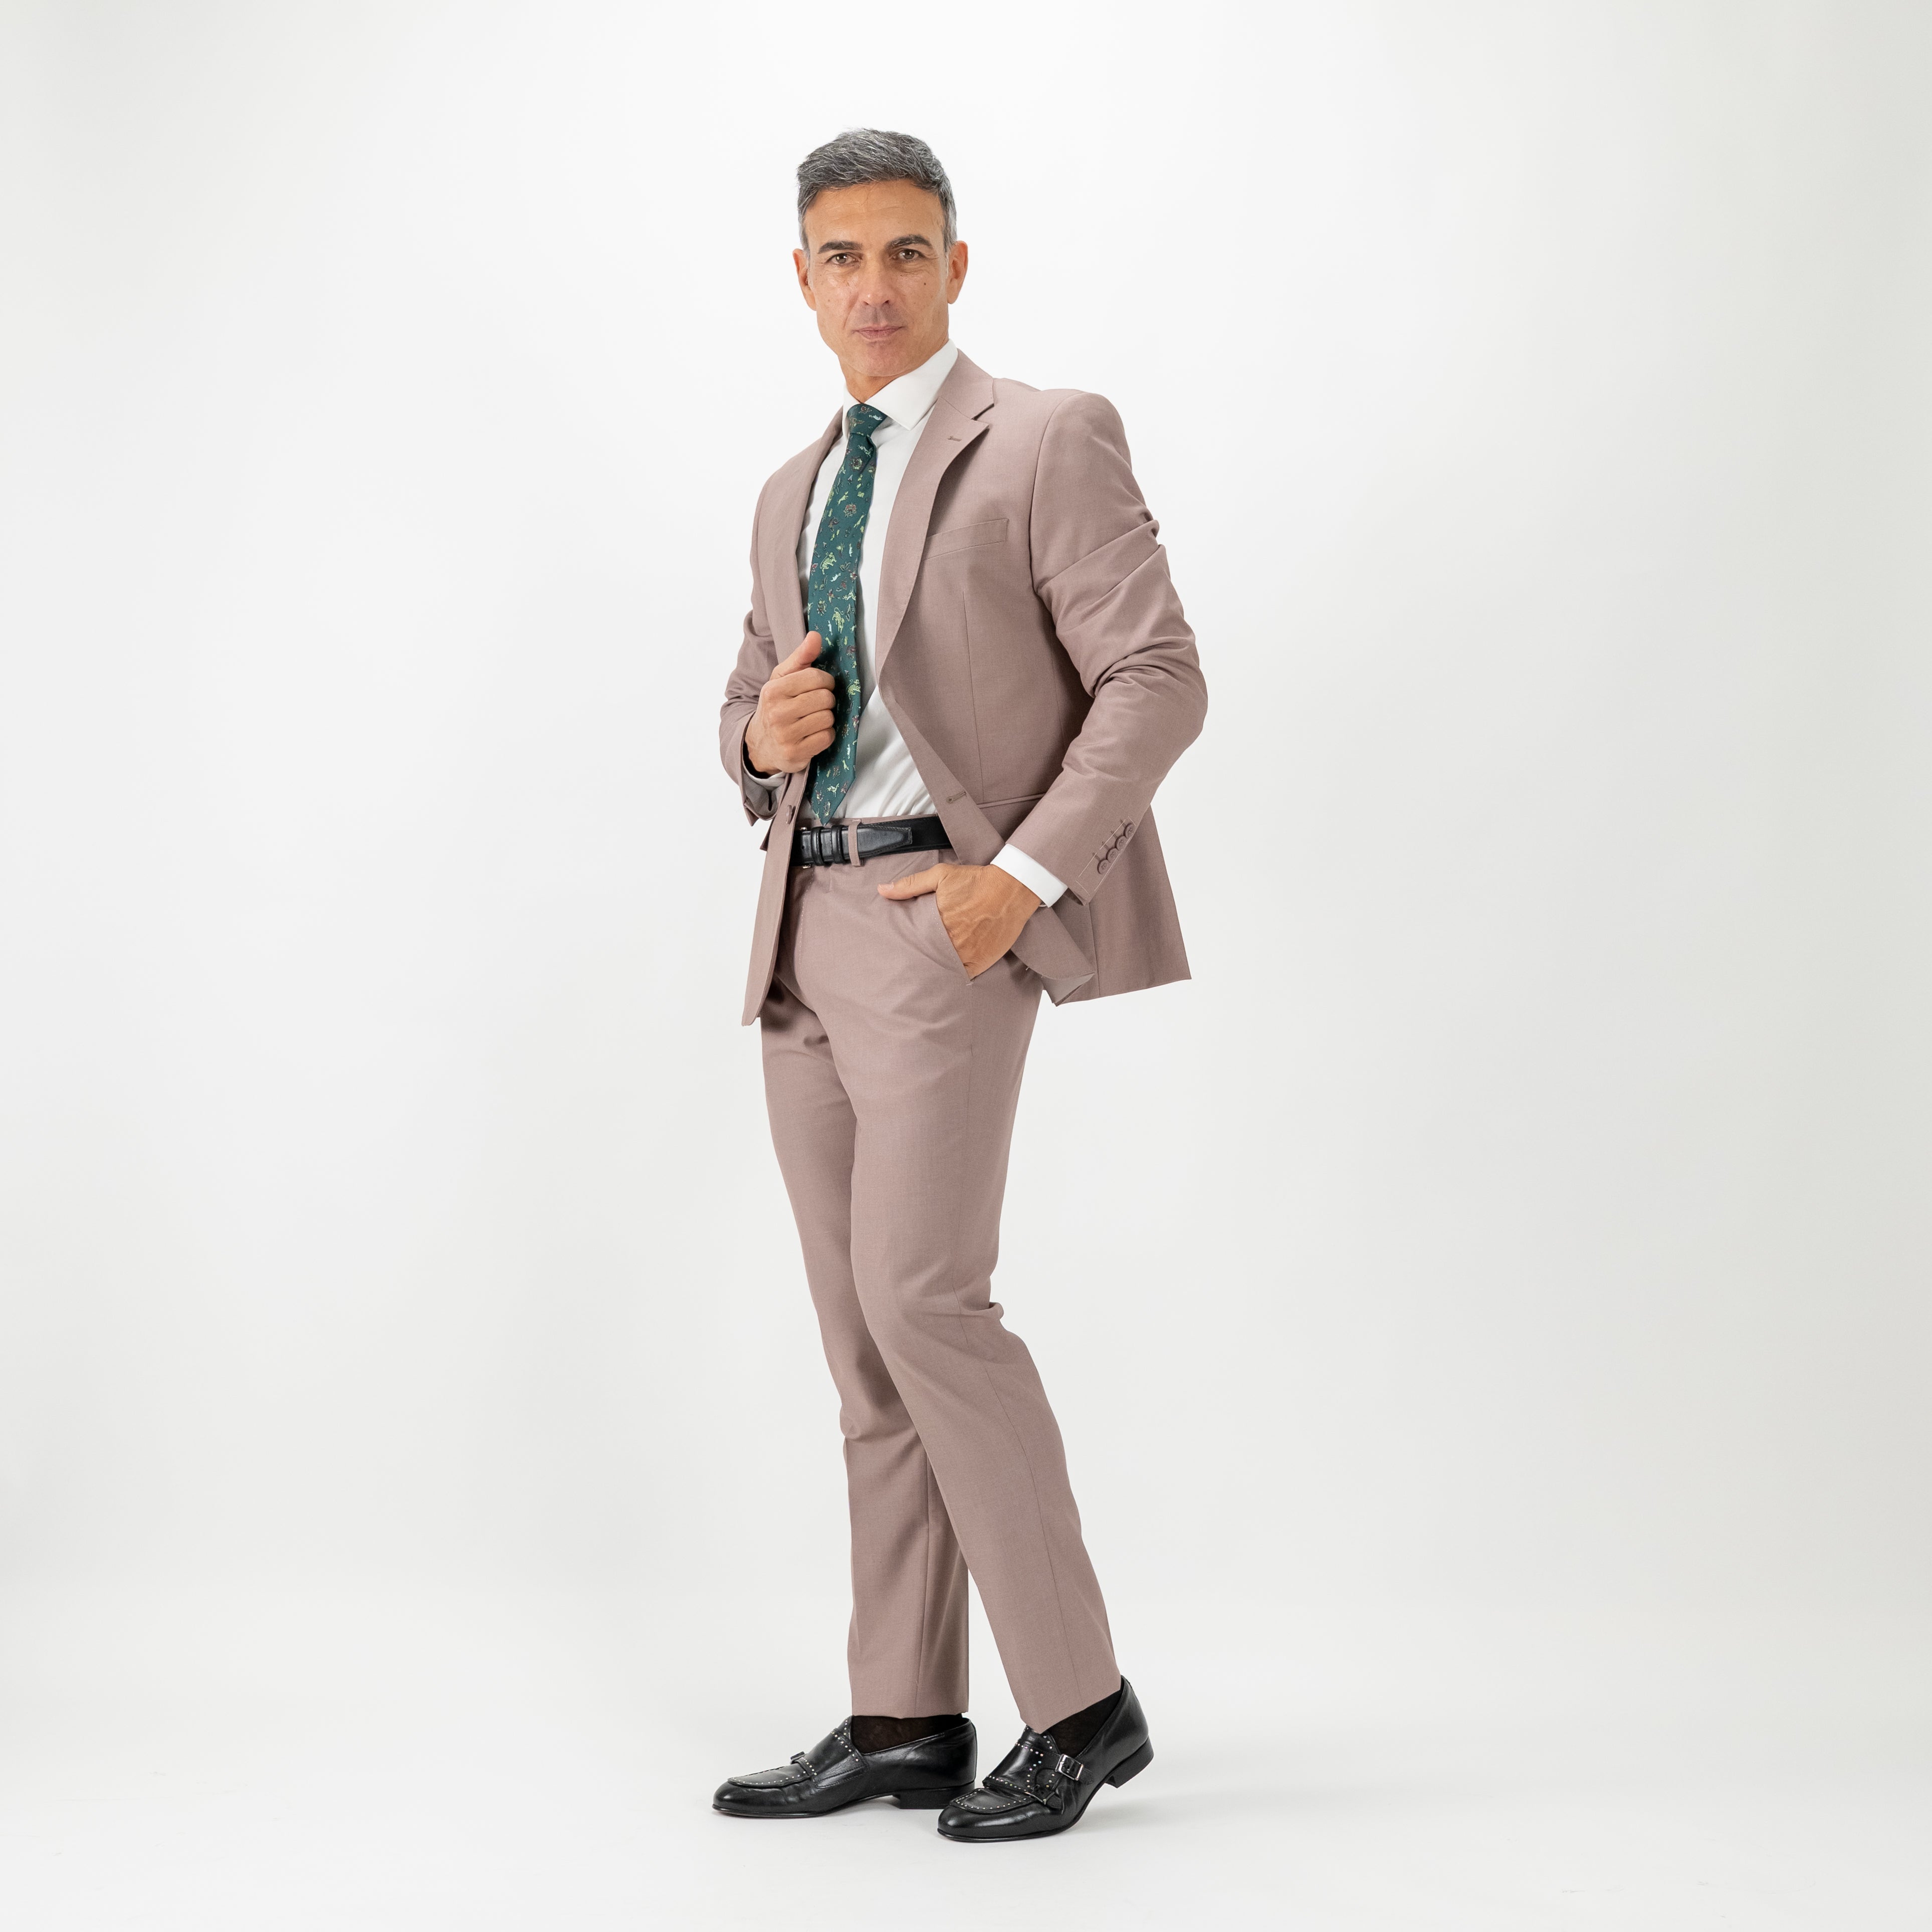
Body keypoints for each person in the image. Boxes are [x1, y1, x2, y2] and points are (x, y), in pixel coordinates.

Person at [712, 129, 1205, 1842]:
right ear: (801, 279)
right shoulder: (790, 490)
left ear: (956, 266)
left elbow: (1158, 675)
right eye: (843, 258)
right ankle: (904, 1715)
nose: (875, 286)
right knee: (866, 1348)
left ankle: (1080, 1704)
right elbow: (744, 703)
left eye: (906, 253)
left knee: (928, 1301)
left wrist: (1023, 880)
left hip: (945, 918)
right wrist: (756, 739)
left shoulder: (1045, 438)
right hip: (802, 930)